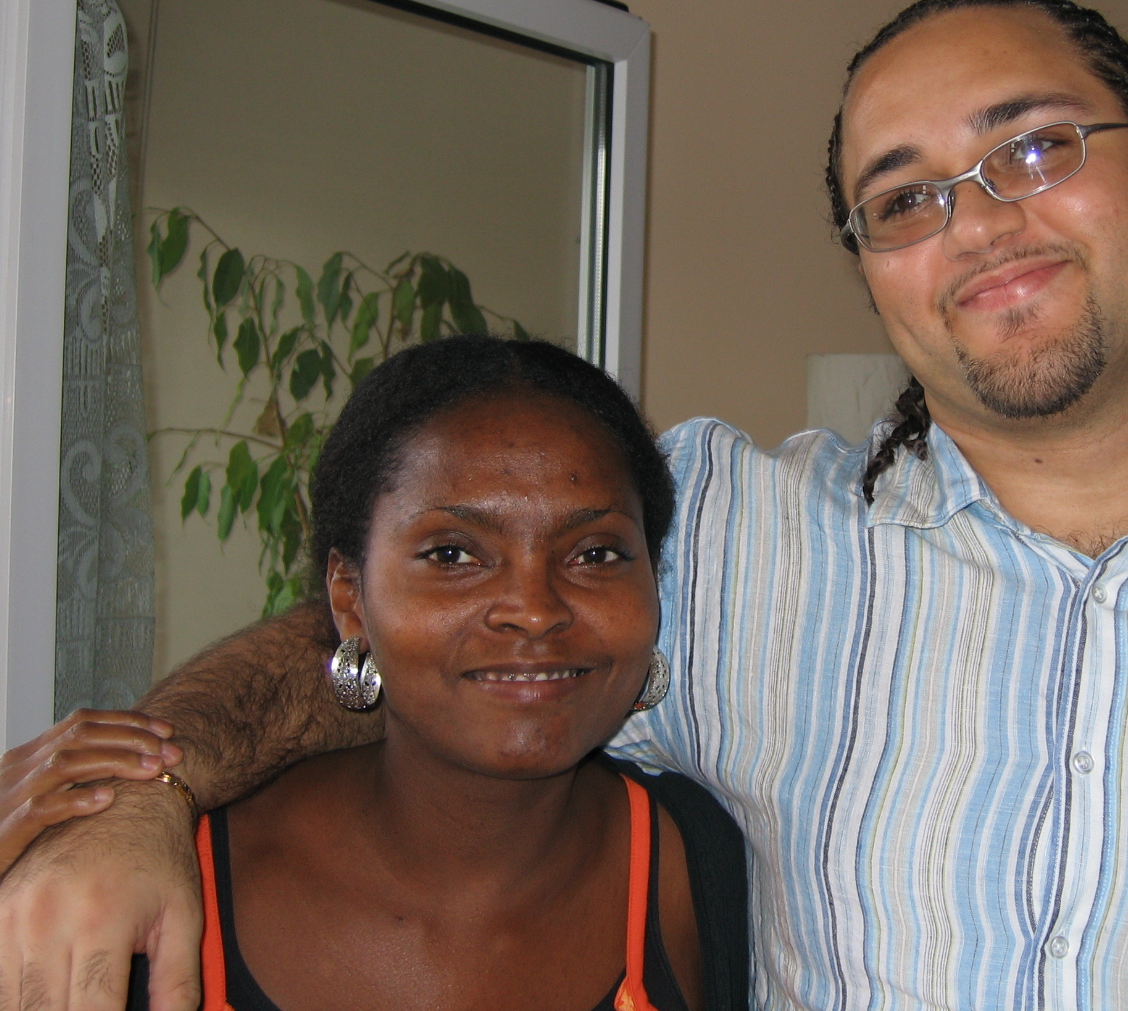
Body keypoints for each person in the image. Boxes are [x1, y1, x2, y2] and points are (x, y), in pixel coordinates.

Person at [3, 0, 1128, 1010]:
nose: (978, 221)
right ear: (873, 267)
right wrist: (144, 794)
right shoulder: (731, 534)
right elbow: (403, 650)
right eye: (903, 198)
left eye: (1037, 148)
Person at [4, 336, 748, 1011]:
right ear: (349, 598)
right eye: (453, 554)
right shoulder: (139, 885)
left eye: (595, 554)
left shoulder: (698, 861)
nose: (533, 609)